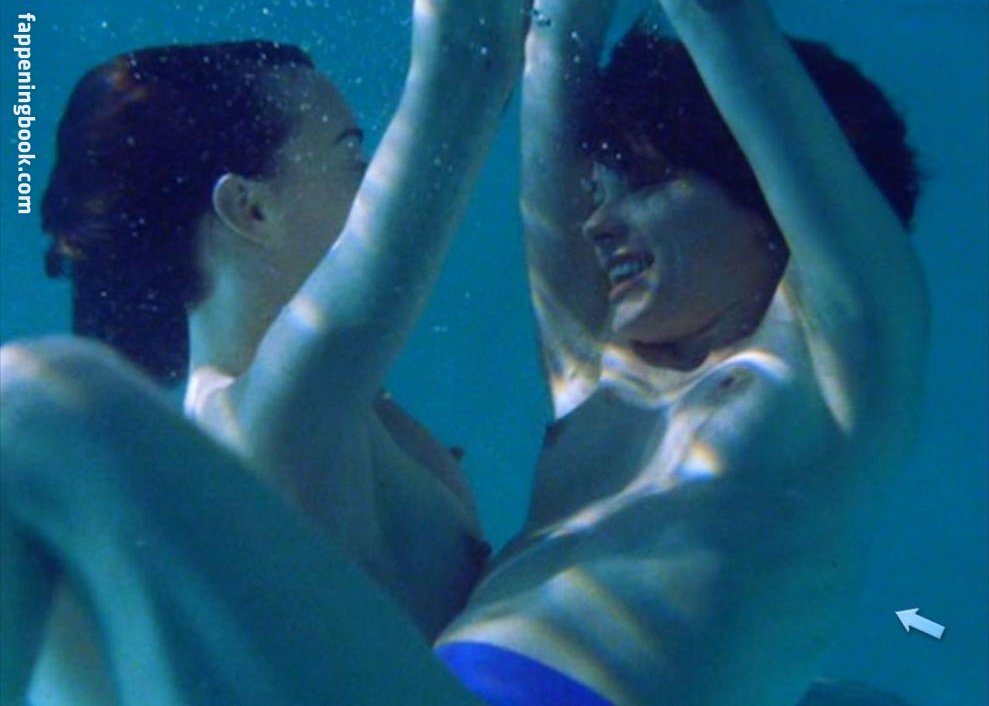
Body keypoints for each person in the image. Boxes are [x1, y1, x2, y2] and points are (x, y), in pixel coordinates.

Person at [0, 1, 528, 704]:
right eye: (351, 155)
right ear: (249, 209)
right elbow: (468, 67)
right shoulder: (271, 416)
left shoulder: (334, 409)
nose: (376, 178)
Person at [434, 1, 927, 705]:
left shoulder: (833, 367)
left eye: (646, 181)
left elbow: (729, 31)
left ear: (767, 203)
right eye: (600, 192)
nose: (598, 223)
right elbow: (557, 49)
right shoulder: (600, 373)